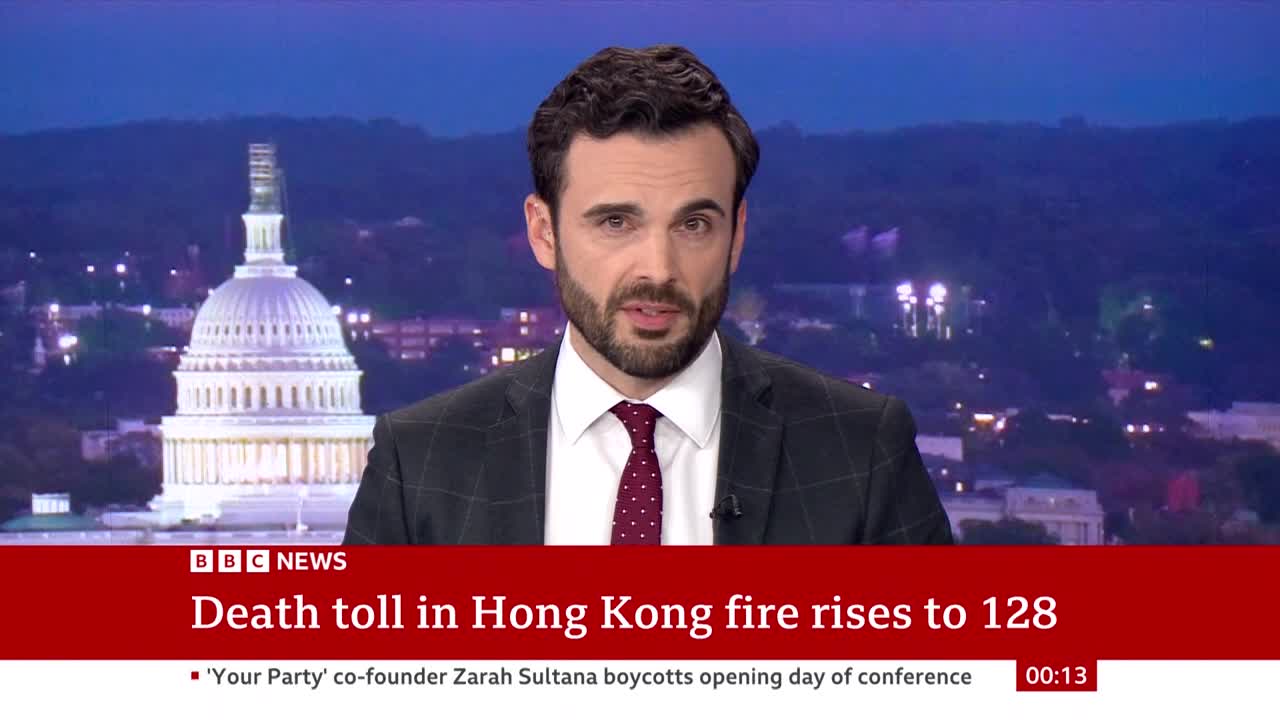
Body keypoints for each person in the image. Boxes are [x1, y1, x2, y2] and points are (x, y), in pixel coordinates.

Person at [344, 45, 953, 546]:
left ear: (736, 235)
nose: (658, 269)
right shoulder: (421, 461)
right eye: (616, 223)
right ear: (543, 232)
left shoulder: (859, 449)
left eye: (693, 225)